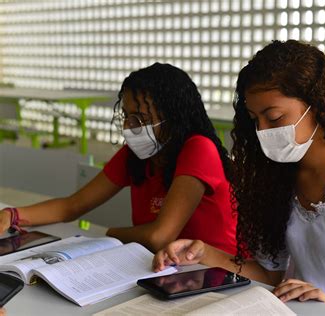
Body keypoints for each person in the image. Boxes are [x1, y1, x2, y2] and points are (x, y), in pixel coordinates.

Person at [153, 40, 325, 315]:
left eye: (274, 118)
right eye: (254, 119)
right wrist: (204, 253)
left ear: (322, 105)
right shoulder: (277, 177)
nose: (262, 131)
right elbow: (271, 275)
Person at [0, 62, 238, 255]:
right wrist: (13, 215)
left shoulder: (199, 149)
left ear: (173, 118)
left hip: (213, 272)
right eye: (126, 116)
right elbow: (72, 206)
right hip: (162, 266)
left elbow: (158, 237)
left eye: (140, 118)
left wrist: (113, 233)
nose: (129, 127)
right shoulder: (137, 155)